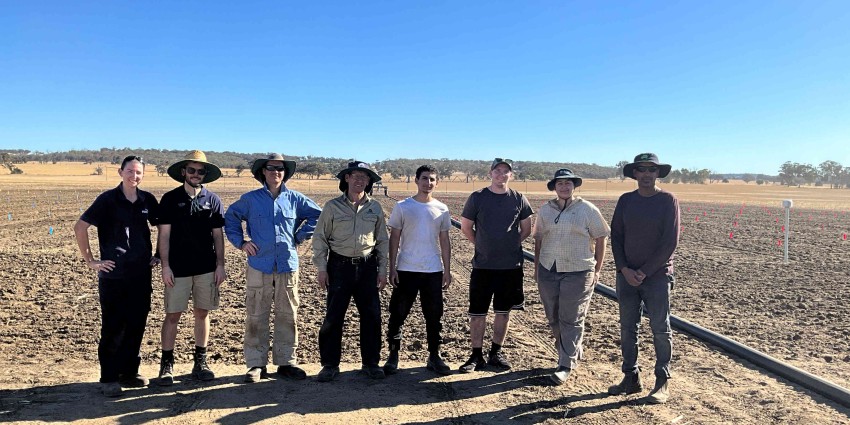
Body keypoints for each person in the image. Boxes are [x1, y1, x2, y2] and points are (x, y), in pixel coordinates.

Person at [224, 153, 322, 383]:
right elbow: (231, 217)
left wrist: (299, 235)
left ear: (284, 173)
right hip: (259, 264)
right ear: (263, 172)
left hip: (287, 264)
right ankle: (256, 364)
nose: (275, 172)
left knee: (288, 314)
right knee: (256, 314)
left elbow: (318, 215)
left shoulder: (296, 199)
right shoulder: (250, 199)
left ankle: (286, 361)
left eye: (280, 169)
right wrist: (242, 243)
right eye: (271, 168)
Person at [73, 155, 160, 397]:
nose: (134, 176)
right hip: (114, 275)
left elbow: (164, 227)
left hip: (141, 274)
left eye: (139, 172)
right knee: (113, 326)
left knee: (136, 324)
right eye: (130, 171)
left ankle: (129, 373)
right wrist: (91, 261)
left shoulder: (148, 200)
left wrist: (159, 255)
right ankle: (109, 377)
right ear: (120, 172)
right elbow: (80, 227)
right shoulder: (107, 200)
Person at [608, 153, 680, 404]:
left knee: (660, 328)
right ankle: (630, 377)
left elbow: (670, 241)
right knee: (628, 328)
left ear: (658, 173)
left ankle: (662, 381)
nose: (647, 174)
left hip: (657, 276)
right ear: (635, 174)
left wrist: (645, 271)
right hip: (627, 276)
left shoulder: (667, 200)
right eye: (642, 169)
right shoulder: (626, 200)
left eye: (652, 169)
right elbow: (616, 236)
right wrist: (624, 269)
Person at [313, 161, 389, 382]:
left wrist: (382, 269)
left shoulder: (375, 208)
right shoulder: (332, 206)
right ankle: (329, 364)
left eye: (364, 177)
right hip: (339, 267)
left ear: (369, 181)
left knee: (372, 316)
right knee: (334, 316)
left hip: (367, 267)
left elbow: (382, 240)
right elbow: (320, 238)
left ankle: (371, 363)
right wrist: (321, 268)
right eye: (355, 176)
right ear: (346, 178)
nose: (359, 180)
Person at [532, 169, 609, 385]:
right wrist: (537, 267)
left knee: (571, 318)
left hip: (578, 270)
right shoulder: (545, 210)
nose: (564, 187)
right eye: (560, 184)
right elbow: (538, 238)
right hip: (549, 269)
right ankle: (570, 351)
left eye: (568, 183)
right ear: (554, 187)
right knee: (553, 316)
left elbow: (601, 237)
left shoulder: (587, 209)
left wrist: (597, 269)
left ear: (574, 186)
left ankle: (565, 364)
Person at [156, 150, 226, 386]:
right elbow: (163, 236)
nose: (196, 174)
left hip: (206, 267)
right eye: (192, 170)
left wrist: (220, 265)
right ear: (183, 172)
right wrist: (165, 266)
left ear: (205, 174)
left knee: (202, 313)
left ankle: (201, 361)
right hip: (177, 268)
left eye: (201, 171)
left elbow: (218, 236)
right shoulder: (169, 199)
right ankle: (166, 365)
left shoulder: (213, 200)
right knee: (173, 315)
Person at [459, 158, 534, 372]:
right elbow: (466, 227)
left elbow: (526, 229)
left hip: (510, 267)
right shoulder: (478, 198)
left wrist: (510, 245)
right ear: (490, 173)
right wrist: (482, 245)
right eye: (497, 171)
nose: (501, 175)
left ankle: (495, 353)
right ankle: (476, 355)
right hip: (483, 266)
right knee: (477, 312)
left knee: (503, 311)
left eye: (506, 172)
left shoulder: (519, 199)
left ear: (511, 175)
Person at [382, 165, 452, 376]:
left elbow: (445, 241)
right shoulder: (403, 207)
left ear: (436, 183)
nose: (427, 183)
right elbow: (394, 238)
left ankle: (434, 356)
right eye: (424, 178)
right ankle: (393, 356)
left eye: (432, 179)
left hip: (432, 270)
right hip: (407, 269)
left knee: (434, 316)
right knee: (398, 313)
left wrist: (447, 270)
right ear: (416, 180)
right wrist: (392, 267)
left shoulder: (442, 209)